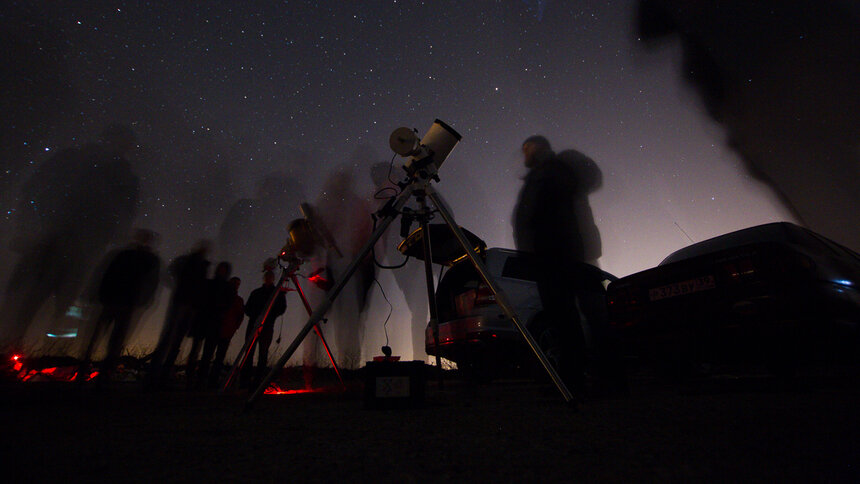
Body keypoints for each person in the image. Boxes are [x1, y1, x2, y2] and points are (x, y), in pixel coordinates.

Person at [1, 124, 140, 351]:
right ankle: (13, 348)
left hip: (80, 248)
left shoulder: (124, 176)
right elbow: (33, 190)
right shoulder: (75, 160)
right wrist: (27, 228)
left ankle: (48, 355)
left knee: (63, 305)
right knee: (27, 299)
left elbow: (125, 215)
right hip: (52, 241)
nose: (126, 148)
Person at [512, 135, 605, 394]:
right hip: (550, 257)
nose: (524, 155)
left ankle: (602, 380)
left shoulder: (560, 168)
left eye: (527, 149)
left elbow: (591, 179)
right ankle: (573, 381)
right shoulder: (537, 178)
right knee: (564, 319)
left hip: (571, 253)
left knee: (590, 316)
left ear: (539, 148)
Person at [78, 229, 160, 385]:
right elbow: (109, 274)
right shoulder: (136, 256)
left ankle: (101, 373)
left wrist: (141, 300)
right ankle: (93, 371)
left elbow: (150, 283)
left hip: (123, 302)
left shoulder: (144, 258)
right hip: (116, 300)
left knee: (111, 339)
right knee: (102, 337)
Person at [147, 240, 211, 388]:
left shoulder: (202, 265)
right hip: (182, 303)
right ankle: (154, 376)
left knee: (176, 341)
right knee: (169, 338)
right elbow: (169, 274)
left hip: (190, 305)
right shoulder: (187, 262)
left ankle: (163, 374)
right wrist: (179, 287)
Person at [186, 261, 233, 389]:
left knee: (207, 354)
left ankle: (201, 380)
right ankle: (189, 379)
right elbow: (198, 300)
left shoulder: (227, 287)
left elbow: (228, 304)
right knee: (195, 352)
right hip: (202, 321)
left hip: (214, 324)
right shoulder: (208, 284)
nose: (221, 271)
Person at [241, 268, 286, 388]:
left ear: (273, 279)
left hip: (267, 326)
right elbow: (248, 308)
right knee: (249, 353)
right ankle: (244, 380)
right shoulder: (256, 293)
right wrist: (256, 315)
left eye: (271, 277)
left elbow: (282, 308)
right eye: (267, 277)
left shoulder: (277, 293)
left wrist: (270, 316)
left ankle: (258, 382)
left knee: (263, 353)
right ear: (264, 278)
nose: (268, 279)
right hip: (253, 325)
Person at [197, 276, 244, 389]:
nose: (235, 285)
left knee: (219, 359)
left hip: (227, 332)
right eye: (234, 283)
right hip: (214, 330)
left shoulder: (238, 300)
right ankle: (200, 382)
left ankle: (212, 383)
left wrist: (234, 329)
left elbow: (240, 316)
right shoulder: (219, 296)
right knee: (207, 357)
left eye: (237, 284)